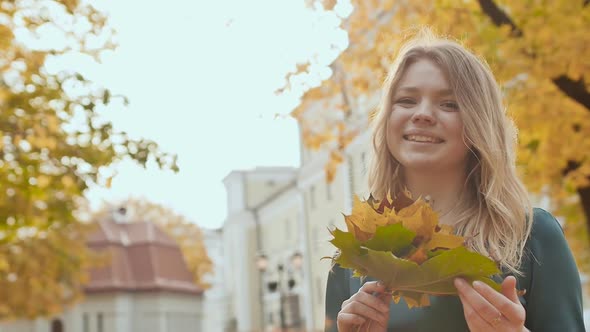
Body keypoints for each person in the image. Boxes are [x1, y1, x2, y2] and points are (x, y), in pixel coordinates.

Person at [324, 29, 586, 332]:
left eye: (449, 104)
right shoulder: (354, 257)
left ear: (479, 123)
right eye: (407, 100)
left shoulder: (532, 237)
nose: (422, 114)